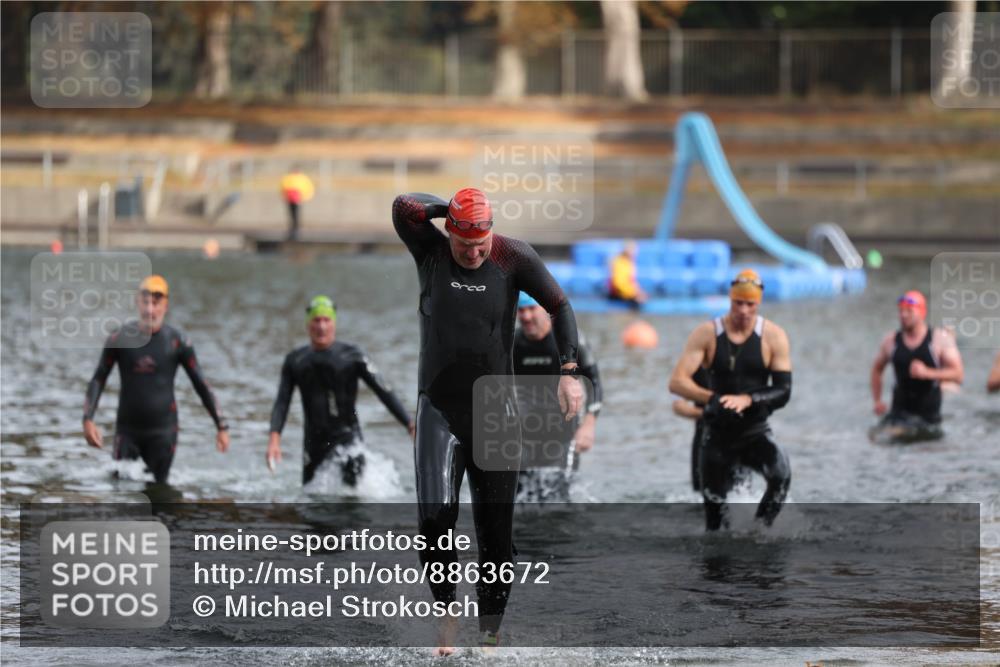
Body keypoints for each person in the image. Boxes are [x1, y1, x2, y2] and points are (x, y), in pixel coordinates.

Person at [392, 188, 583, 652]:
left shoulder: (513, 256)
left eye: (481, 243)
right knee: (435, 520)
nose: (474, 253)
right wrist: (452, 210)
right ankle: (447, 617)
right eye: (464, 243)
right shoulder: (432, 252)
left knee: (496, 539)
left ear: (492, 233)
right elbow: (403, 207)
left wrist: (568, 371)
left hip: (497, 416)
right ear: (450, 233)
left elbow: (559, 306)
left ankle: (490, 633)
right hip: (438, 411)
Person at [669, 269, 792, 531]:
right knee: (715, 525)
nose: (744, 310)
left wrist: (749, 399)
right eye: (739, 302)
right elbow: (677, 383)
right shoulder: (707, 334)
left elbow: (784, 391)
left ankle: (760, 532)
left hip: (755, 432)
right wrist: (715, 399)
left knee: (781, 476)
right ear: (730, 299)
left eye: (751, 304)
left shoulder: (773, 336)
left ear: (759, 303)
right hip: (716, 436)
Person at [83, 275, 229, 484]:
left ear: (165, 305)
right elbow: (98, 378)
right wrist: (88, 419)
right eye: (145, 302)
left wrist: (221, 426)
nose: (150, 309)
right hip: (127, 432)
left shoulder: (178, 342)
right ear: (137, 302)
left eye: (156, 302)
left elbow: (201, 384)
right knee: (121, 494)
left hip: (163, 434)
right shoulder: (119, 339)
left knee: (158, 496)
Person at [267, 296, 414, 486]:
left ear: (334, 323)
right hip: (314, 443)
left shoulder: (353, 355)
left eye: (326, 320)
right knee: (312, 498)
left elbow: (383, 390)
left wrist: (409, 424)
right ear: (308, 324)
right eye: (316, 320)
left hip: (348, 438)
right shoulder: (295, 360)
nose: (321, 326)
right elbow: (282, 401)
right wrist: (274, 438)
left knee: (353, 490)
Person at [512, 292, 602, 503]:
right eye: (521, 311)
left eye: (531, 309)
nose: (525, 316)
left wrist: (588, 425)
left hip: (564, 433)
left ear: (547, 311)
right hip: (525, 432)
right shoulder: (512, 343)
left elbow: (595, 384)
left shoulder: (570, 342)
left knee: (557, 498)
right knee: (519, 498)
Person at [869, 290, 964, 443]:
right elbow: (876, 369)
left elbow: (958, 374)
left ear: (922, 312)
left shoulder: (939, 339)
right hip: (898, 414)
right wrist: (877, 400)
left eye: (909, 311)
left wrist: (928, 373)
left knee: (894, 435)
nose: (904, 315)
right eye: (901, 311)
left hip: (928, 420)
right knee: (875, 437)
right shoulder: (891, 341)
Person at [671, 366, 711, 492]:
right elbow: (678, 405)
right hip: (705, 434)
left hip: (740, 434)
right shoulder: (693, 362)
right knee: (701, 493)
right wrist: (709, 413)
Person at [607, 240, 647, 307]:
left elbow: (631, 281)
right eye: (634, 250)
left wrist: (638, 291)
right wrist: (634, 293)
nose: (635, 252)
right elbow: (619, 283)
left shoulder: (628, 262)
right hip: (619, 293)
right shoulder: (620, 262)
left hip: (626, 292)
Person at [280, 167, 315, 242]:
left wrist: (304, 197)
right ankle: (292, 228)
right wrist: (284, 195)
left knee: (296, 213)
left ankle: (296, 228)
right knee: (291, 213)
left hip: (297, 198)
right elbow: (283, 186)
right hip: (290, 197)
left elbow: (308, 187)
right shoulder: (288, 177)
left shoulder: (301, 178)